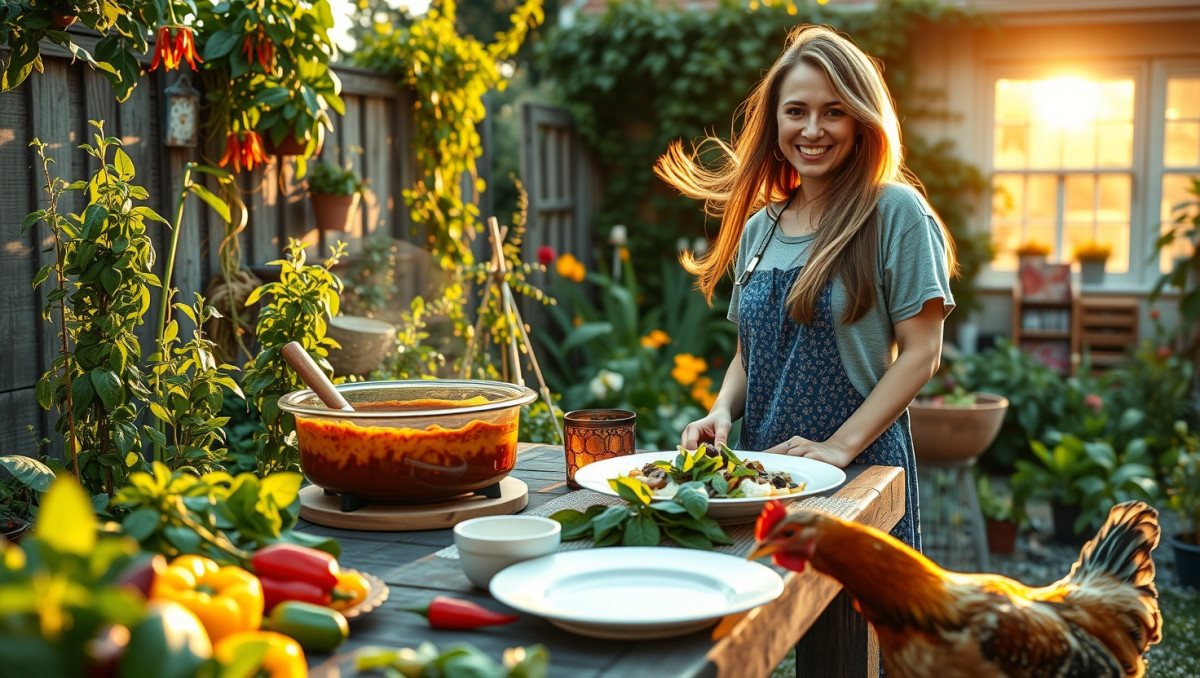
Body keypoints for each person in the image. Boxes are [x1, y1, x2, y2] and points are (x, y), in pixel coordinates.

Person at [653, 24, 955, 550]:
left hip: (858, 476)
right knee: (769, 621)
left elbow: (922, 353)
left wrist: (838, 448)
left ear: (862, 121)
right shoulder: (759, 228)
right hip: (761, 479)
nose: (812, 129)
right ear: (775, 121)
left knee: (855, 629)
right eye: (797, 111)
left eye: (833, 111)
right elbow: (752, 356)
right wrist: (721, 410)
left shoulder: (893, 213)